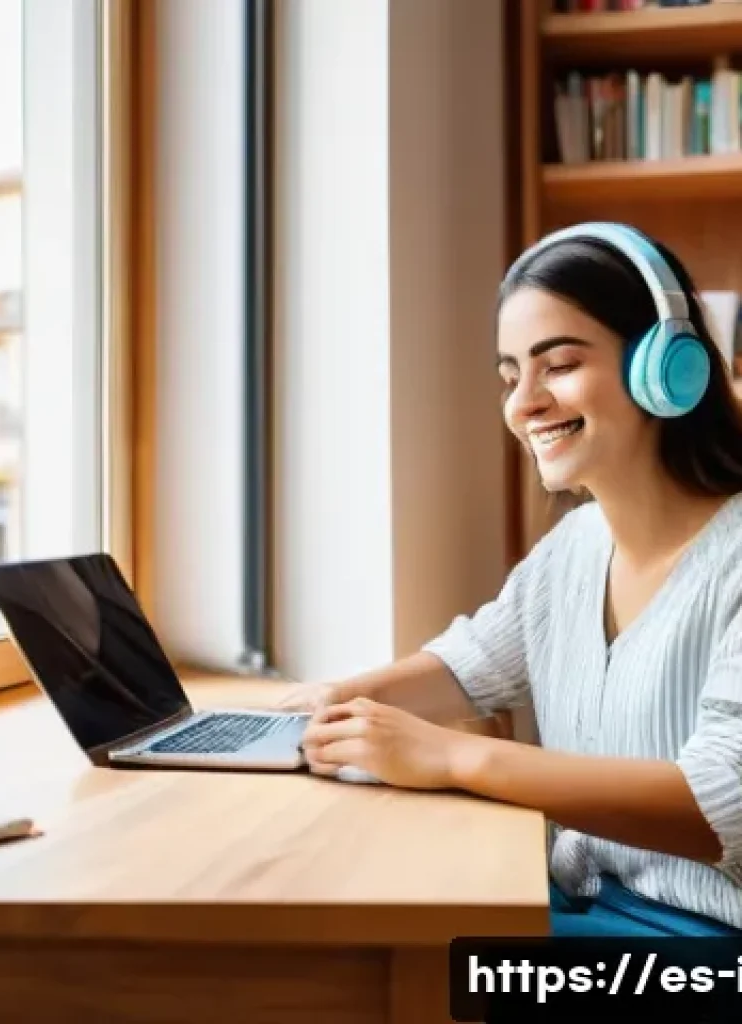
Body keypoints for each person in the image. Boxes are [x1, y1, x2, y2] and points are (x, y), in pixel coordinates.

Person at [279, 222, 742, 938]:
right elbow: (467, 666)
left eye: (556, 365)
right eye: (509, 376)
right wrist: (331, 705)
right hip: (586, 912)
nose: (523, 404)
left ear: (664, 364)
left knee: (416, 966)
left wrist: (452, 755)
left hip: (707, 952)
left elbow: (718, 808)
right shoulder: (574, 550)